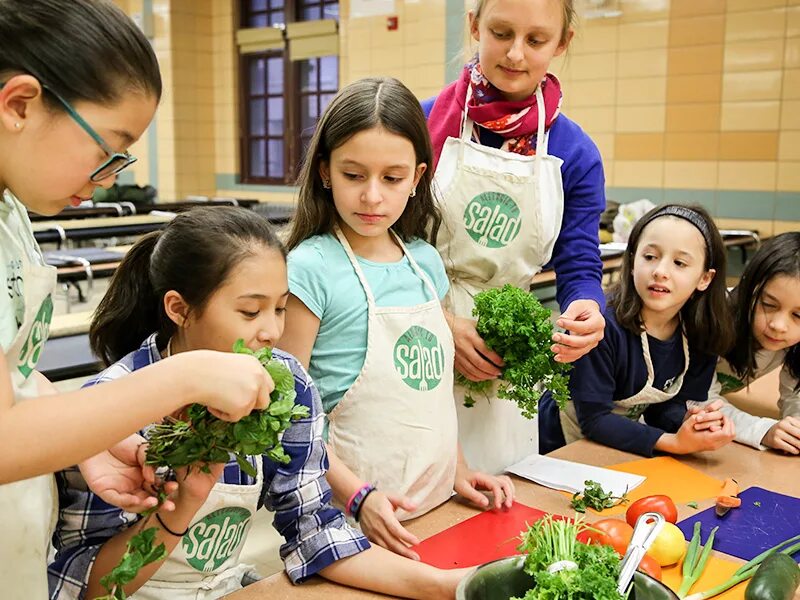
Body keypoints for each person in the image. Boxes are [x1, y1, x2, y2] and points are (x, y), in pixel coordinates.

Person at [49, 207, 467, 600]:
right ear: (179, 309)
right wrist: (182, 505)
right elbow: (90, 585)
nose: (271, 332)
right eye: (250, 312)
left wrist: (448, 586)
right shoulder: (108, 409)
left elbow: (314, 529)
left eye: (281, 308)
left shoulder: (284, 384)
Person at [0, 1, 271, 596]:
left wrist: (89, 442)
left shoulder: (10, 212)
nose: (109, 177)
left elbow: (13, 375)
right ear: (19, 104)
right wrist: (186, 377)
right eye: (107, 150)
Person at [279, 77, 513, 561]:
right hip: (347, 517)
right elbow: (289, 414)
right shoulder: (310, 268)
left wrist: (460, 470)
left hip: (436, 504)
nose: (371, 197)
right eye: (353, 175)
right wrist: (357, 496)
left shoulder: (425, 262)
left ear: (417, 178)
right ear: (324, 172)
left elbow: (430, 393)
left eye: (391, 178)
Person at [421, 0, 607, 474]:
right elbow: (380, 243)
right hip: (413, 336)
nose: (516, 55)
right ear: (474, 26)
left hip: (504, 360)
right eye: (501, 33)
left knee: (496, 490)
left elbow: (579, 263)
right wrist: (440, 320)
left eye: (536, 40)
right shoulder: (420, 124)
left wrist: (587, 306)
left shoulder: (575, 152)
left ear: (561, 43)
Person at [538, 204, 737, 456]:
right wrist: (674, 443)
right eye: (650, 257)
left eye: (679, 262)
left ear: (705, 278)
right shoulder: (600, 327)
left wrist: (691, 422)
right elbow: (595, 420)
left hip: (614, 449)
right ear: (632, 262)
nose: (660, 272)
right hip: (556, 448)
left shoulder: (701, 333)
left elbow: (665, 408)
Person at [689, 232, 800, 454]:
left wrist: (795, 427)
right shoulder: (712, 320)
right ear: (749, 289)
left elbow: (795, 393)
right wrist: (763, 430)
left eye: (799, 316)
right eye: (769, 305)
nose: (779, 325)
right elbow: (696, 401)